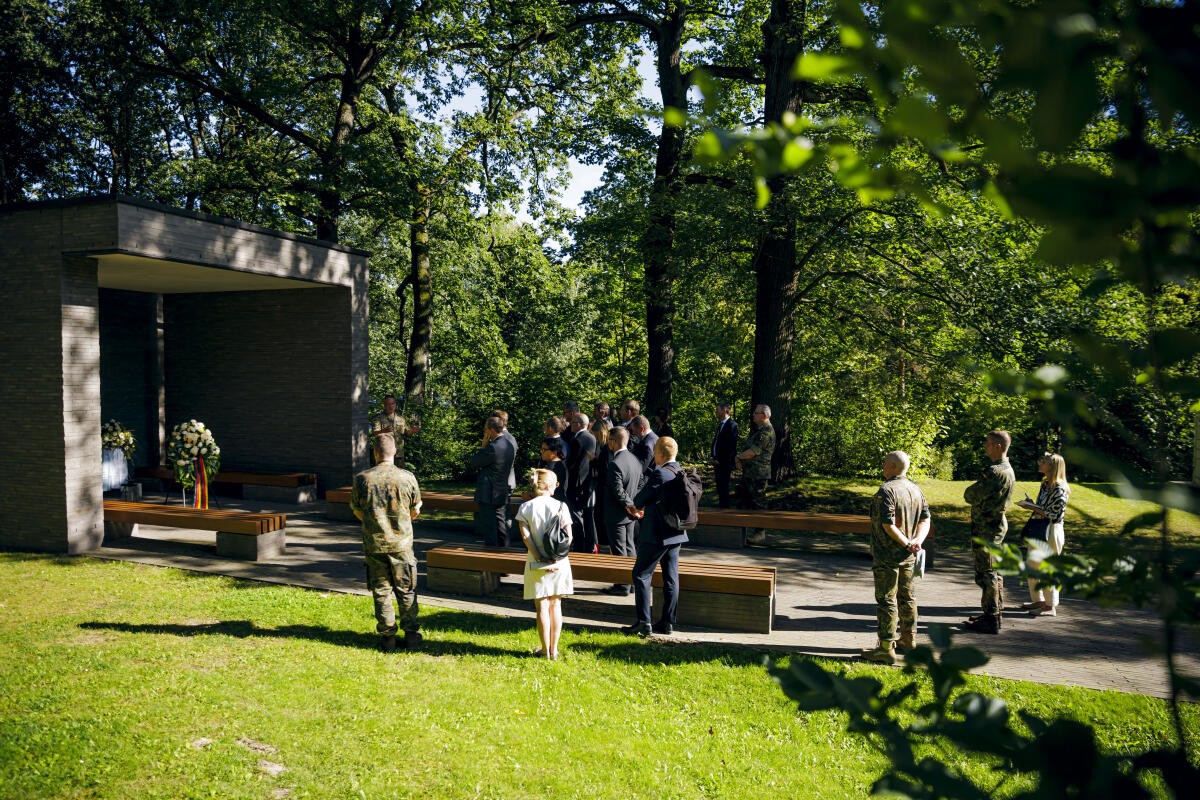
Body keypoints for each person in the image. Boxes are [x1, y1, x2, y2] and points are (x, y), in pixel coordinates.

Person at [350, 434, 423, 652]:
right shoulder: (407, 477)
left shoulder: (363, 479)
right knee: (406, 589)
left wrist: (374, 523)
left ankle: (388, 638)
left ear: (374, 453)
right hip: (402, 545)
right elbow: (415, 510)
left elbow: (355, 509)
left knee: (381, 591)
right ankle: (411, 636)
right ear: (394, 452)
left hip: (374, 544)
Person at [860, 451, 931, 665]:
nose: (882, 466)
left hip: (887, 556)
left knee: (886, 600)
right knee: (907, 598)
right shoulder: (915, 490)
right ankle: (909, 640)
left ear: (891, 466)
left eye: (884, 463)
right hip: (909, 556)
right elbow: (926, 519)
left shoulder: (886, 491)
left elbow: (887, 524)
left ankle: (885, 648)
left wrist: (907, 542)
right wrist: (917, 540)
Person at [621, 436, 688, 637]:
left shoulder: (660, 474)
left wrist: (635, 506)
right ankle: (668, 622)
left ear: (659, 454)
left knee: (641, 574)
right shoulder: (680, 472)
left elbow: (640, 499)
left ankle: (643, 622)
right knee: (671, 577)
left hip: (656, 534)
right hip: (676, 533)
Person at [516, 468, 575, 660]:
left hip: (536, 561)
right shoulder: (561, 506)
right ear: (550, 486)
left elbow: (526, 537)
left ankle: (544, 649)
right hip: (559, 560)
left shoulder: (525, 508)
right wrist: (556, 557)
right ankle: (554, 649)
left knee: (541, 606)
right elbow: (569, 536)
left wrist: (539, 556)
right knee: (555, 604)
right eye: (556, 484)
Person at [962, 430, 1016, 634]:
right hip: (994, 526)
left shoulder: (995, 471)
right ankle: (993, 613)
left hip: (987, 527)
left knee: (987, 573)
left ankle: (991, 617)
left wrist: (970, 492)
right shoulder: (1007, 469)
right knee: (994, 572)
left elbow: (971, 495)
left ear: (998, 446)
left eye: (988, 443)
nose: (985, 446)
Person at [1016, 452, 1070, 617]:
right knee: (1032, 564)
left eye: (1044, 462)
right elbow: (1043, 507)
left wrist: (1032, 507)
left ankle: (1050, 606)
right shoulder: (1045, 483)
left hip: (1052, 530)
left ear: (1052, 467)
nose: (1040, 463)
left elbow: (1055, 514)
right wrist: (1032, 504)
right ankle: (1039, 601)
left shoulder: (1060, 488)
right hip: (1040, 528)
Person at [602, 426, 641, 596]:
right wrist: (636, 505)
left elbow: (617, 491)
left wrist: (629, 505)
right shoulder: (634, 460)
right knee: (630, 547)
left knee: (619, 549)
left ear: (613, 442)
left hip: (617, 513)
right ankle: (632, 583)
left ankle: (622, 586)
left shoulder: (615, 463)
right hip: (630, 513)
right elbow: (640, 485)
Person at [469, 415, 517, 547]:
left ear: (491, 430)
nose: (485, 432)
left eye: (486, 429)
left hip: (488, 492)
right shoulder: (509, 445)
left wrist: (483, 446)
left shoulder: (492, 447)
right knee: (501, 524)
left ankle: (491, 556)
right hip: (502, 490)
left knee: (489, 527)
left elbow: (474, 463)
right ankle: (504, 551)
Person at [735, 404, 776, 545]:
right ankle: (739, 533)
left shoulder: (766, 432)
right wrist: (739, 458)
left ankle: (760, 533)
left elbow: (752, 452)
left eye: (756, 413)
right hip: (750, 473)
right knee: (743, 503)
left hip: (758, 475)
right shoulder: (758, 431)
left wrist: (739, 457)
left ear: (764, 415)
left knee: (758, 505)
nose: (753, 415)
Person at [565, 413, 598, 552]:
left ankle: (579, 546)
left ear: (578, 424)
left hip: (576, 483)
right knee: (585, 515)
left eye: (572, 422)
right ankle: (588, 545)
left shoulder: (578, 440)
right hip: (586, 482)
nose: (570, 425)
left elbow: (571, 463)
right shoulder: (591, 437)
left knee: (576, 516)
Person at [371, 394, 420, 467]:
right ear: (384, 405)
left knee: (400, 476)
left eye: (392, 404)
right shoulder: (378, 419)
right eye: (388, 404)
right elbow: (374, 434)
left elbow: (407, 433)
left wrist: (412, 431)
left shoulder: (401, 419)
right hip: (384, 455)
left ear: (395, 404)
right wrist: (383, 431)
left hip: (398, 454)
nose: (390, 406)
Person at [589, 417, 613, 550]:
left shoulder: (606, 448)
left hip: (603, 488)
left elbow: (605, 469)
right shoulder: (605, 447)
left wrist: (593, 460)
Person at [710, 402, 739, 508]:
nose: (716, 412)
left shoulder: (732, 425)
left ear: (724, 411)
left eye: (717, 410)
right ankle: (722, 511)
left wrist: (720, 460)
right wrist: (712, 457)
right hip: (717, 462)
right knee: (720, 489)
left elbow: (730, 447)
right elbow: (717, 442)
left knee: (724, 488)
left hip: (724, 463)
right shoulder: (721, 425)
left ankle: (725, 514)